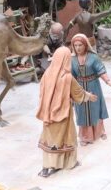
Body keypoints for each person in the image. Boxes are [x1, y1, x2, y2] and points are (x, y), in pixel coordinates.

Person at [36, 46, 96, 178]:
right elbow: (78, 93)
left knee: (50, 140)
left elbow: (42, 93)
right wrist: (89, 96)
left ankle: (45, 168)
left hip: (48, 114)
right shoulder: (67, 77)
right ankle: (70, 163)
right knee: (66, 137)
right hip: (63, 114)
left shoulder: (47, 74)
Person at [70, 33, 111, 145]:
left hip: (93, 86)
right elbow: (71, 77)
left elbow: (101, 70)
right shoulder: (72, 59)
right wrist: (71, 93)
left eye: (80, 45)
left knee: (95, 108)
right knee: (81, 111)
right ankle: (85, 136)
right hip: (79, 88)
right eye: (75, 45)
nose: (78, 48)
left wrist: (109, 82)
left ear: (85, 45)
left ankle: (99, 132)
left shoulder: (93, 57)